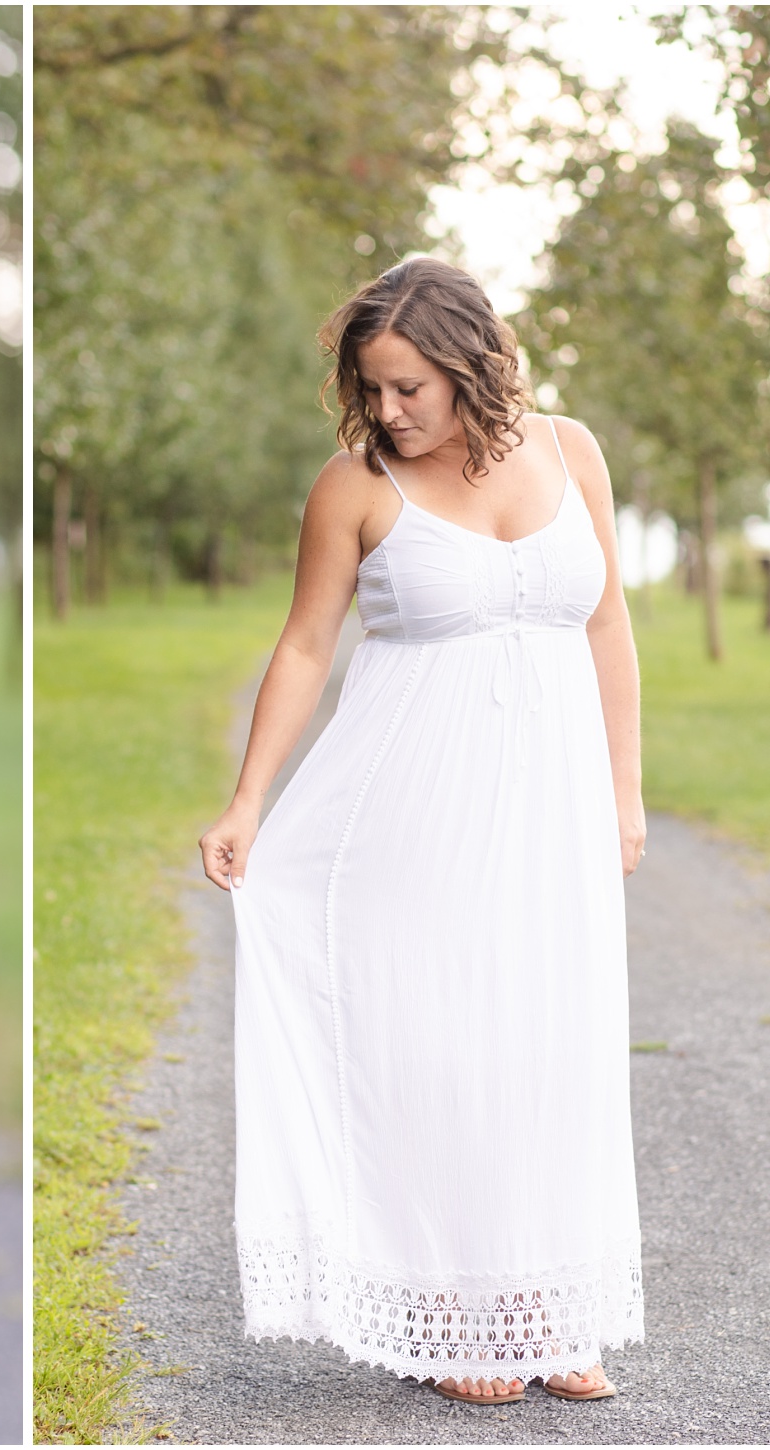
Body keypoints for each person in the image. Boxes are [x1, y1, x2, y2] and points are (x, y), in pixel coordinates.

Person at [198, 257, 645, 1407]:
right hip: (404, 806)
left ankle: (555, 1310)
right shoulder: (354, 489)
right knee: (438, 1040)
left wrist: (624, 791)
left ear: (469, 365)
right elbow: (305, 648)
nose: (390, 411)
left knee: (553, 1036)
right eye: (373, 388)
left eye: (410, 387)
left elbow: (607, 628)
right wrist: (249, 798)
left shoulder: (571, 451)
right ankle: (448, 1305)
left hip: (551, 805)